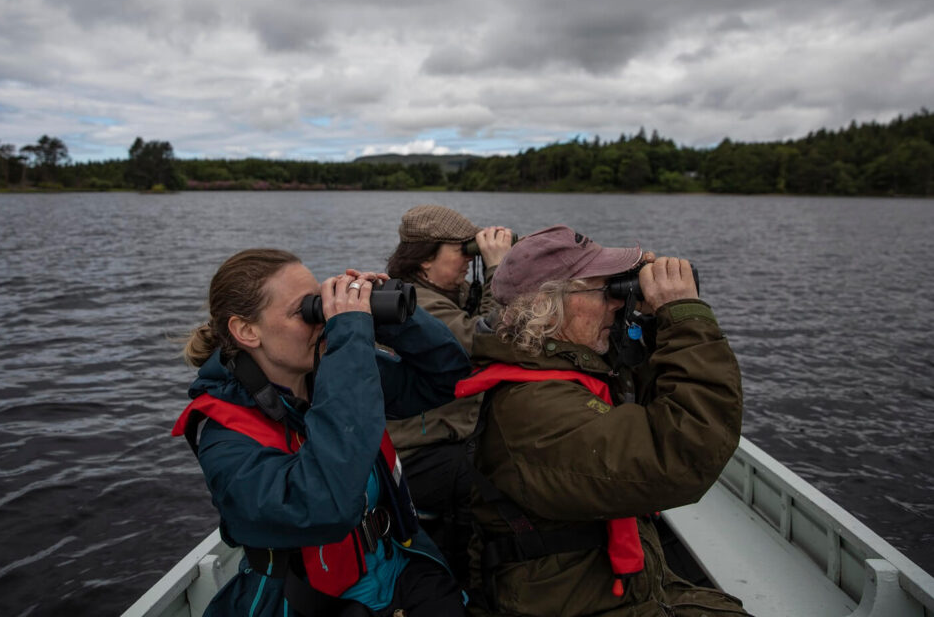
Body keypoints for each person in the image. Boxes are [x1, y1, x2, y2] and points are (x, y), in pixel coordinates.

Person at [456, 226, 749, 617]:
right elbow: (682, 453)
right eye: (605, 290)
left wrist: (654, 319)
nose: (616, 302)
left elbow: (644, 395)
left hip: (598, 585)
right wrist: (686, 319)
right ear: (551, 305)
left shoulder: (554, 365)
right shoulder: (535, 410)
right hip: (579, 603)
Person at [172, 248, 472, 617]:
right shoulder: (225, 441)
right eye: (307, 311)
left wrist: (397, 321)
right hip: (308, 601)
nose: (323, 319)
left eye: (321, 302)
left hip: (395, 567)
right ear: (247, 331)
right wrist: (348, 337)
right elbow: (325, 508)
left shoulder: (325, 376)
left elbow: (446, 377)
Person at [383, 205, 514, 583]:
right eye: (462, 250)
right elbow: (488, 340)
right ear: (424, 262)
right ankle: (475, 578)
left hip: (447, 442)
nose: (466, 260)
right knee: (497, 476)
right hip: (415, 456)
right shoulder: (412, 304)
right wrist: (498, 271)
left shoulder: (444, 294)